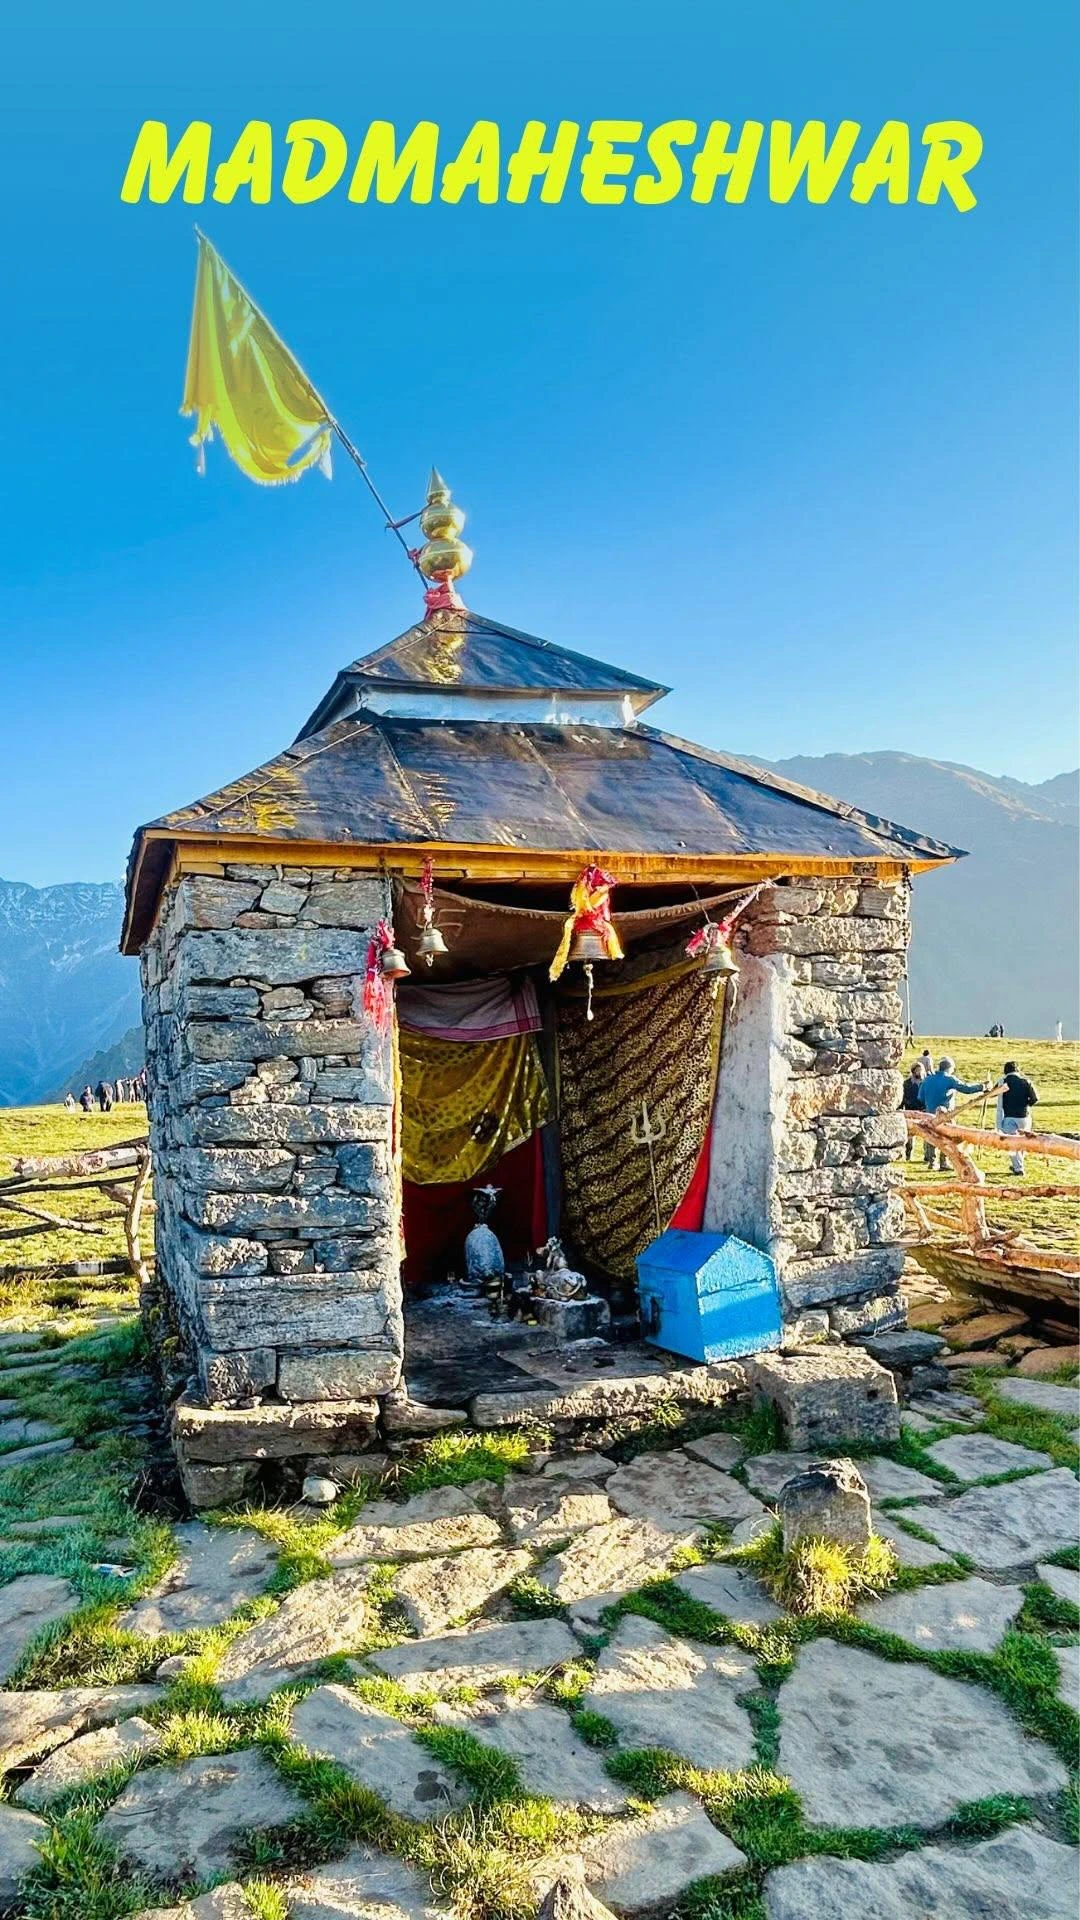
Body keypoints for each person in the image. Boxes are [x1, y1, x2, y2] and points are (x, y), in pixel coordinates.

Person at [918, 1056, 989, 1171]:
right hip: (946, 1114)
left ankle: (932, 1162)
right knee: (947, 1138)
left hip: (930, 1113)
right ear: (949, 1068)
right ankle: (944, 1161)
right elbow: (966, 1088)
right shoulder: (949, 1079)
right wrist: (982, 1086)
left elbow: (920, 1097)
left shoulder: (927, 1079)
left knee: (931, 1137)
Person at [997, 1059, 1038, 1175]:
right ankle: (1019, 1165)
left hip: (1009, 1116)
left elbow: (992, 1093)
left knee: (1012, 1142)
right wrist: (1026, 1105)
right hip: (1024, 1116)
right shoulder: (1026, 1082)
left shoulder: (1003, 1081)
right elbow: (1035, 1098)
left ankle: (1018, 1167)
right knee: (1023, 1141)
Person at [901, 1061, 926, 1160]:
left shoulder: (925, 1083)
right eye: (917, 1070)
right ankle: (908, 1154)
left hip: (923, 1111)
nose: (919, 1073)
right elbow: (902, 1097)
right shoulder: (906, 1083)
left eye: (921, 1070)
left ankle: (927, 1157)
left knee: (927, 1134)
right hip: (910, 1110)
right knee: (910, 1135)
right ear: (913, 1071)